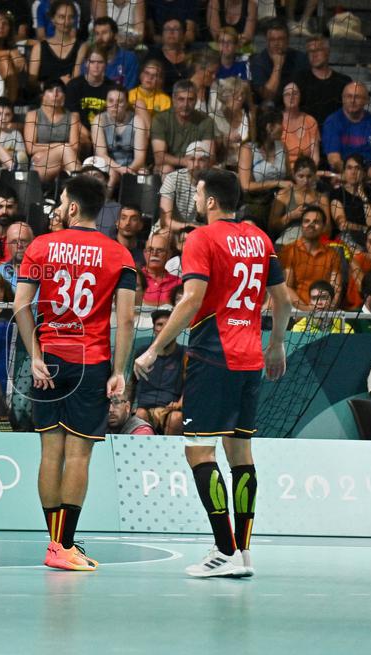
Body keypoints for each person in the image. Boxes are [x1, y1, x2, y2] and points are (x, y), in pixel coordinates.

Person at [134, 168, 292, 578]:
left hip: (212, 356)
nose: (194, 198)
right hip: (250, 357)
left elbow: (191, 300)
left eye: (198, 192)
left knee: (199, 452)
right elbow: (284, 301)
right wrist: (276, 344)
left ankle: (224, 551)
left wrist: (154, 349)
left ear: (209, 201)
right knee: (241, 455)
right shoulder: (260, 238)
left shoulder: (201, 238)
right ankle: (243, 552)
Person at [13, 174, 137, 571]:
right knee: (78, 456)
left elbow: (20, 305)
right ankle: (63, 545)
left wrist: (34, 355)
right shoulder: (119, 254)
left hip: (49, 359)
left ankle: (57, 545)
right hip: (91, 361)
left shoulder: (41, 245)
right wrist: (119, 370)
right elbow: (127, 319)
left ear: (71, 207)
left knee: (51, 452)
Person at [132, 308, 185, 436]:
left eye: (168, 324)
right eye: (159, 324)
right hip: (145, 408)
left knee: (176, 419)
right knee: (139, 415)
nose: (164, 328)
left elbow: (192, 385)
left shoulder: (185, 354)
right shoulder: (142, 353)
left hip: (171, 409)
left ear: (176, 329)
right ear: (154, 329)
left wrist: (180, 403)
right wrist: (127, 403)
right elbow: (132, 383)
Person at [279, 205, 342, 310]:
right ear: (301, 225)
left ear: (323, 227)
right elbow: (287, 287)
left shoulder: (332, 254)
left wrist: (329, 308)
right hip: (295, 309)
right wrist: (307, 309)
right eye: (306, 221)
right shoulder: (289, 250)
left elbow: (336, 288)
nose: (311, 225)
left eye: (316, 222)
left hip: (325, 310)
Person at [322, 82, 371, 174]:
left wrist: (370, 174)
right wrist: (352, 175)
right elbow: (334, 160)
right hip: (341, 176)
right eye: (348, 96)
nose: (352, 100)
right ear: (342, 99)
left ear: (366, 100)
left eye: (357, 97)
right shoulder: (332, 122)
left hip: (370, 176)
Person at [151, 80, 216, 176]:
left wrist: (193, 163)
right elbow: (159, 157)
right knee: (166, 169)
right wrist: (183, 161)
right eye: (181, 99)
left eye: (190, 99)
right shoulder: (161, 120)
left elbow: (210, 156)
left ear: (196, 100)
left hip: (196, 166)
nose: (185, 104)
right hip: (169, 167)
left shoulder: (206, 121)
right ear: (173, 99)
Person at [90, 87, 149, 191]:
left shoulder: (137, 121)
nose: (115, 105)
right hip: (108, 164)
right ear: (106, 103)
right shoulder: (99, 120)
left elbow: (140, 157)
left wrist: (128, 170)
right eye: (111, 101)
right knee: (112, 174)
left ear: (126, 104)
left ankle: (137, 202)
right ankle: (106, 200)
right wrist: (120, 169)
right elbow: (101, 154)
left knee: (143, 174)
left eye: (120, 101)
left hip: (132, 165)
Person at [24, 79, 79, 184]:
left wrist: (56, 150)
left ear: (64, 96)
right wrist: (61, 147)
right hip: (40, 165)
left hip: (63, 164)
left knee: (65, 154)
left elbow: (75, 147)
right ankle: (81, 183)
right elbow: (30, 148)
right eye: (50, 91)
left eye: (59, 91)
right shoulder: (33, 115)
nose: (55, 94)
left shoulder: (72, 117)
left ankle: (78, 181)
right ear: (43, 95)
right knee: (66, 149)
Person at [268, 156, 330, 245]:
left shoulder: (322, 198)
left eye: (309, 176)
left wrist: (315, 221)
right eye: (301, 176)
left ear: (315, 176)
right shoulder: (284, 194)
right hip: (289, 240)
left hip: (314, 240)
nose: (305, 181)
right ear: (294, 175)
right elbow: (272, 226)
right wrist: (290, 216)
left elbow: (328, 229)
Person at [293, 36, 351, 128]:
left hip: (335, 133)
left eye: (318, 50)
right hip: (305, 133)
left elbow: (350, 115)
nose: (314, 55)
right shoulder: (298, 80)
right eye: (310, 51)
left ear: (327, 52)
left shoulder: (344, 82)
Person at [250, 20, 308, 103]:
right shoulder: (258, 62)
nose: (276, 43)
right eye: (272, 39)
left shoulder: (301, 58)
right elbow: (268, 96)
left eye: (280, 39)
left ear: (288, 40)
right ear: (267, 41)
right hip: (269, 107)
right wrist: (277, 66)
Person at [27, 1, 81, 86]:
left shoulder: (81, 47)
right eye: (61, 17)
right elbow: (31, 82)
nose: (66, 22)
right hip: (46, 92)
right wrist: (54, 83)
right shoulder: (38, 48)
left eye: (70, 17)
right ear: (52, 19)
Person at [280, 82, 320, 169]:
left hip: (306, 172)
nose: (291, 97)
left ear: (300, 96)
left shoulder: (310, 121)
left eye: (295, 93)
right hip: (281, 172)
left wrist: (308, 172)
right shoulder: (276, 121)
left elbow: (315, 157)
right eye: (287, 94)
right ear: (282, 98)